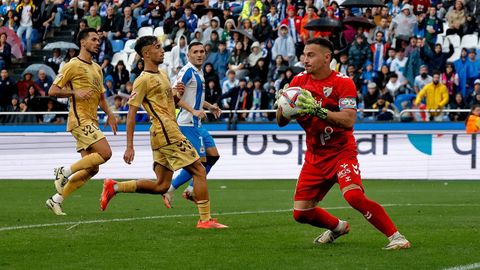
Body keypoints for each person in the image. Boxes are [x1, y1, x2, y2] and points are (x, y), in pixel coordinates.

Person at [275, 37, 410, 250]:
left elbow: (348, 120)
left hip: (341, 152)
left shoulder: (343, 82)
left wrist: (317, 110)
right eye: (304, 55)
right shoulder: (298, 82)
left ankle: (397, 237)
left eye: (311, 55)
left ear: (327, 57)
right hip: (315, 156)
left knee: (353, 195)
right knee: (301, 213)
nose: (305, 59)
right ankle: (338, 227)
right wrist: (283, 107)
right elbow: (281, 122)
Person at [100, 36, 227, 229]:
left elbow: (172, 102)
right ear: (146, 53)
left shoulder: (162, 75)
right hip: (167, 132)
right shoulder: (142, 80)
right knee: (199, 170)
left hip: (163, 133)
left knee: (161, 185)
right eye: (158, 47)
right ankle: (205, 220)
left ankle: (114, 187)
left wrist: (177, 94)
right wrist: (129, 146)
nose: (163, 51)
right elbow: (131, 114)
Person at [45, 28, 118, 216]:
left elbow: (101, 97)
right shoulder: (72, 65)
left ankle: (56, 199)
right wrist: (73, 92)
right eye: (93, 39)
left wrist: (110, 114)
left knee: (92, 168)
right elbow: (52, 91)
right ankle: (64, 171)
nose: (97, 42)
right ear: (83, 43)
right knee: (106, 152)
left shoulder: (97, 68)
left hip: (92, 120)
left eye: (99, 40)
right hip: (79, 119)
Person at [162, 41, 222, 208]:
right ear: (188, 55)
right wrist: (193, 111)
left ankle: (190, 190)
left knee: (213, 156)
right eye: (195, 52)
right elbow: (175, 95)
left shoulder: (198, 72)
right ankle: (169, 190)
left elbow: (195, 97)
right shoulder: (187, 71)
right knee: (197, 163)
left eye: (202, 51)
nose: (199, 54)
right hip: (187, 123)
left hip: (197, 124)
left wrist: (210, 107)